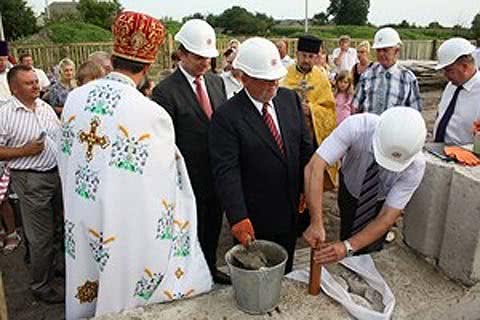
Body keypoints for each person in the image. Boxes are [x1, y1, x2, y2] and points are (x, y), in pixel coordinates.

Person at [58, 11, 212, 319]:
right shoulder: (149, 113)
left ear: (114, 55)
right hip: (121, 223)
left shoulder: (75, 98)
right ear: (150, 61)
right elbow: (165, 187)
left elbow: (67, 159)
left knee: (87, 283)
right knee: (123, 294)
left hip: (82, 215)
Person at [209, 37, 313, 273]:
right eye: (265, 81)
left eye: (276, 79)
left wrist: (307, 188)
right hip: (254, 219)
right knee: (257, 276)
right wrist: (237, 217)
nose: (273, 86)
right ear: (244, 78)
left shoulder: (289, 101)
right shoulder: (227, 117)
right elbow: (226, 171)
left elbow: (306, 149)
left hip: (291, 210)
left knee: (285, 269)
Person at [151, 19, 229, 284]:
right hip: (188, 178)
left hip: (216, 175)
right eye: (199, 57)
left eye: (209, 57)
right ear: (181, 54)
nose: (205, 63)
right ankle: (188, 278)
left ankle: (209, 269)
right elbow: (165, 141)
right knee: (189, 229)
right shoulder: (165, 91)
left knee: (213, 227)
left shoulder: (217, 83)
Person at [303, 107, 426, 263]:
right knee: (348, 224)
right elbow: (314, 167)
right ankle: (348, 256)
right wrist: (316, 222)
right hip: (350, 187)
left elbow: (387, 216)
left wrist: (347, 246)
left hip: (380, 199)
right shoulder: (356, 127)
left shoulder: (416, 165)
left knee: (372, 245)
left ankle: (364, 259)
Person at [0, 65, 63, 303]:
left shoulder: (45, 107)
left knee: (56, 228)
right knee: (41, 236)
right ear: (14, 88)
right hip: (29, 179)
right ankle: (40, 285)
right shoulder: (5, 114)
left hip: (54, 175)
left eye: (36, 81)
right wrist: (24, 151)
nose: (36, 86)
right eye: (29, 83)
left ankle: (51, 267)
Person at [281, 34, 337, 190]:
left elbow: (329, 110)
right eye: (303, 55)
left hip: (312, 138)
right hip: (288, 135)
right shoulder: (284, 75)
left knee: (310, 174)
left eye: (311, 56)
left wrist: (311, 110)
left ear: (316, 57)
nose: (306, 60)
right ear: (297, 55)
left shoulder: (321, 78)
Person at [353, 27, 422, 114]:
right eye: (378, 50)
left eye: (385, 50)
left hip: (395, 127)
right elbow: (356, 107)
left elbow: (414, 113)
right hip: (370, 127)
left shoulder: (408, 79)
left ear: (396, 51)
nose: (381, 54)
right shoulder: (367, 75)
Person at [433, 37, 480, 145]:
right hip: (439, 152)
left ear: (464, 67)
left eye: (449, 70)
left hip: (466, 159)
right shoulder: (451, 86)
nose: (445, 75)